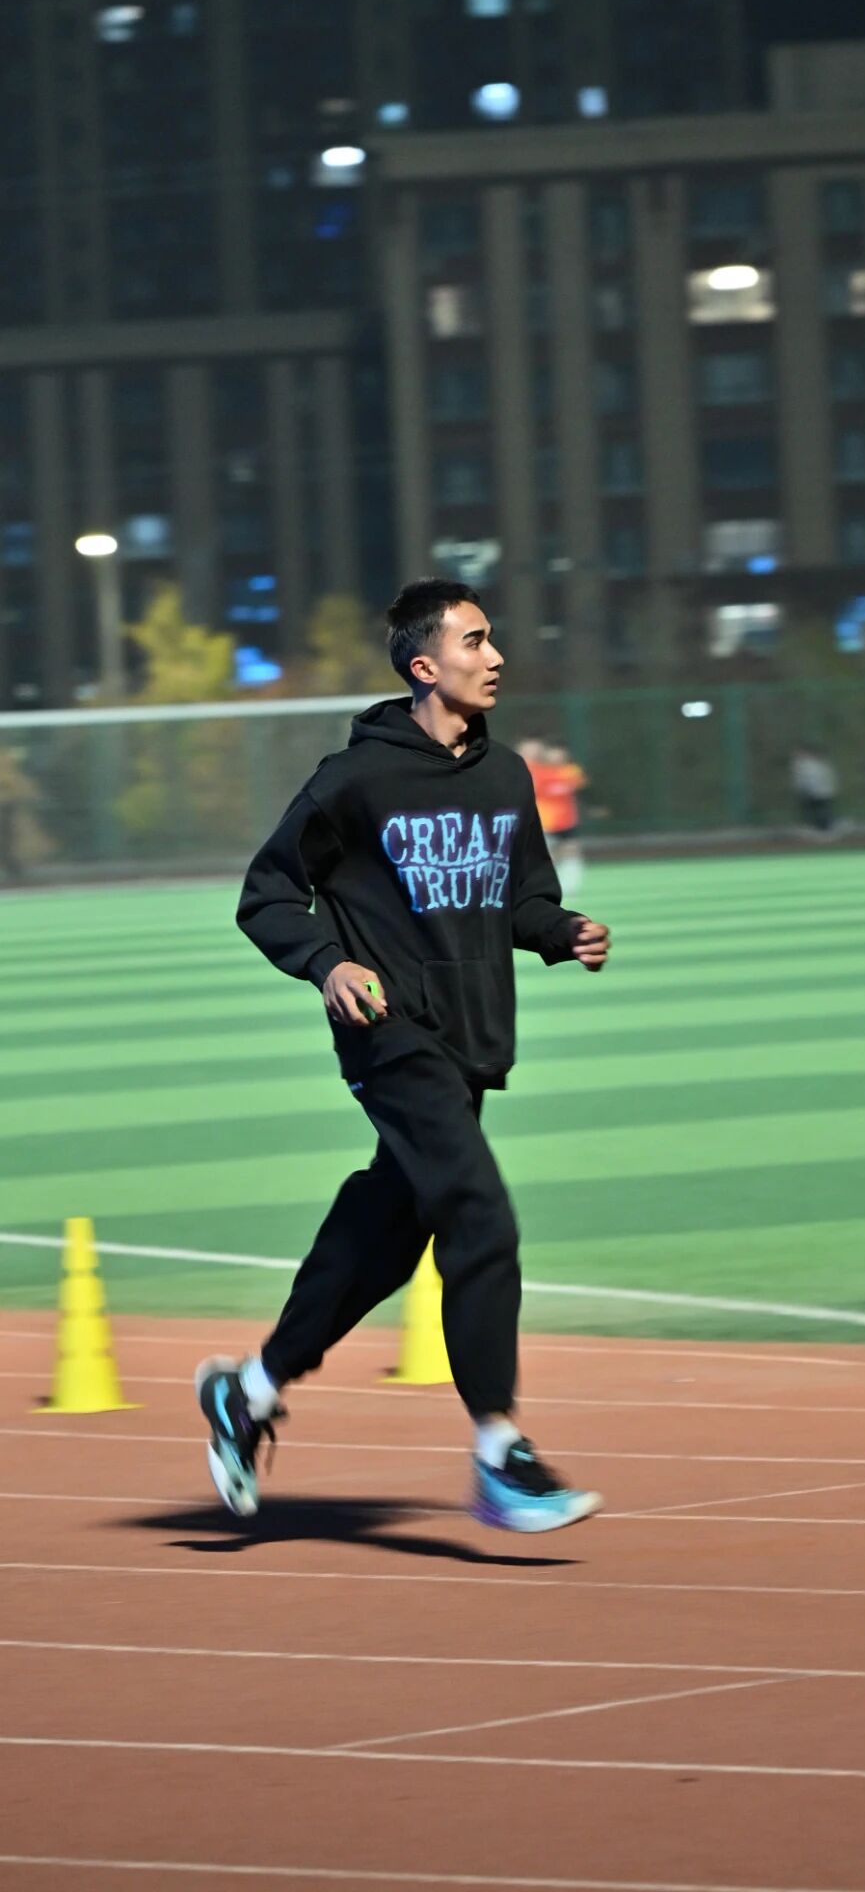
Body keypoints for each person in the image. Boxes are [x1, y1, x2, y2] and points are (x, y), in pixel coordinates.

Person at [195, 579, 611, 1532]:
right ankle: (500, 1451)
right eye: (475, 641)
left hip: (471, 1040)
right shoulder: (355, 780)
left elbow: (522, 900)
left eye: (492, 638)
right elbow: (267, 895)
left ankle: (247, 1392)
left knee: (387, 1232)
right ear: (425, 666)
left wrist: (563, 932)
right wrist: (328, 963)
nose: (494, 656)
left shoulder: (507, 777)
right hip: (387, 1035)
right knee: (479, 1212)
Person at [526, 742, 589, 897]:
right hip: (546, 823)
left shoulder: (571, 772)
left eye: (560, 753)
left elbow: (584, 789)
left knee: (572, 852)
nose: (556, 756)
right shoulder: (537, 772)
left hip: (568, 821)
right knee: (548, 856)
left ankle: (570, 885)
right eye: (552, 753)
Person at [790, 745, 839, 835]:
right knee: (814, 810)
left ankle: (825, 827)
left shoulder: (812, 765)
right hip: (813, 792)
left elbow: (812, 779)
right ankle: (820, 826)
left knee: (820, 810)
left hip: (818, 792)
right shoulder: (802, 764)